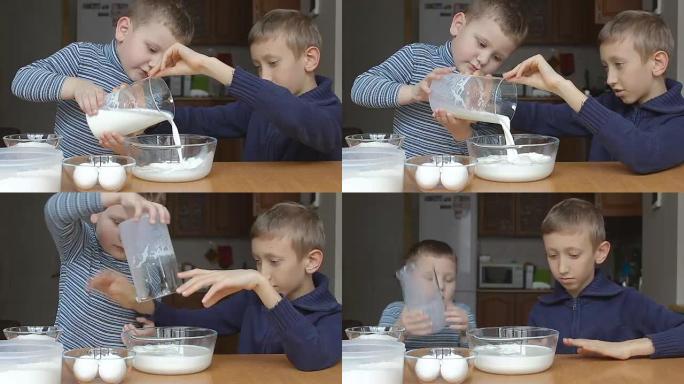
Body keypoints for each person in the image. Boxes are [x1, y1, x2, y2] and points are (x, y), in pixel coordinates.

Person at [90, 202, 341, 371]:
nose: (263, 272)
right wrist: (140, 305)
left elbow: (311, 358)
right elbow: (199, 323)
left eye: (274, 261)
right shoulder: (250, 301)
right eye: (257, 261)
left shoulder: (332, 316)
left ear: (311, 261)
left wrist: (261, 287)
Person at [101, 9, 341, 161]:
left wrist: (211, 67)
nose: (264, 76)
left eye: (273, 63)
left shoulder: (329, 113)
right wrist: (144, 113)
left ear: (309, 59)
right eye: (258, 66)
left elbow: (296, 117)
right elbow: (200, 121)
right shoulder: (254, 111)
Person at [504, 11, 684, 174]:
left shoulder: (679, 124)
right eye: (606, 67)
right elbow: (543, 117)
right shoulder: (609, 104)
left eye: (619, 65)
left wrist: (563, 87)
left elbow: (641, 154)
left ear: (658, 63)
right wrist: (490, 100)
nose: (610, 79)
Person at [11, 0, 193, 158]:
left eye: (167, 60)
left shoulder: (148, 91)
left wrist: (126, 146)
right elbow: (22, 80)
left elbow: (140, 155)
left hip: (118, 184)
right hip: (70, 177)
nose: (156, 64)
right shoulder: (82, 56)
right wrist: (75, 86)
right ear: (123, 30)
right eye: (152, 49)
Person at [350, 0, 528, 158]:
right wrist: (414, 92)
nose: (483, 59)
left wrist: (462, 131)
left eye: (497, 57)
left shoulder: (488, 91)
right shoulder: (417, 57)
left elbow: (492, 153)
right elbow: (360, 89)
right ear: (458, 25)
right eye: (481, 44)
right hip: (410, 175)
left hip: (460, 181)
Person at [529, 198, 684, 358]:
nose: (562, 268)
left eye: (573, 255)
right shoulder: (540, 311)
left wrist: (629, 347)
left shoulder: (630, 302)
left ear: (600, 253)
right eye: (552, 255)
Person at [45, 192, 170, 349]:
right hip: (68, 361)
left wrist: (149, 332)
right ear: (95, 212)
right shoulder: (79, 244)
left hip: (120, 364)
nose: (125, 236)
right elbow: (54, 210)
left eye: (139, 228)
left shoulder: (151, 265)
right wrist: (115, 197)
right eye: (118, 222)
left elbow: (154, 317)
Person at [379, 240, 475, 349]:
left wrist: (465, 333)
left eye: (449, 279)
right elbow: (381, 353)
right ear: (409, 280)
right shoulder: (394, 312)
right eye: (429, 278)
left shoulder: (463, 314)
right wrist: (399, 330)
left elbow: (475, 354)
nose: (441, 286)